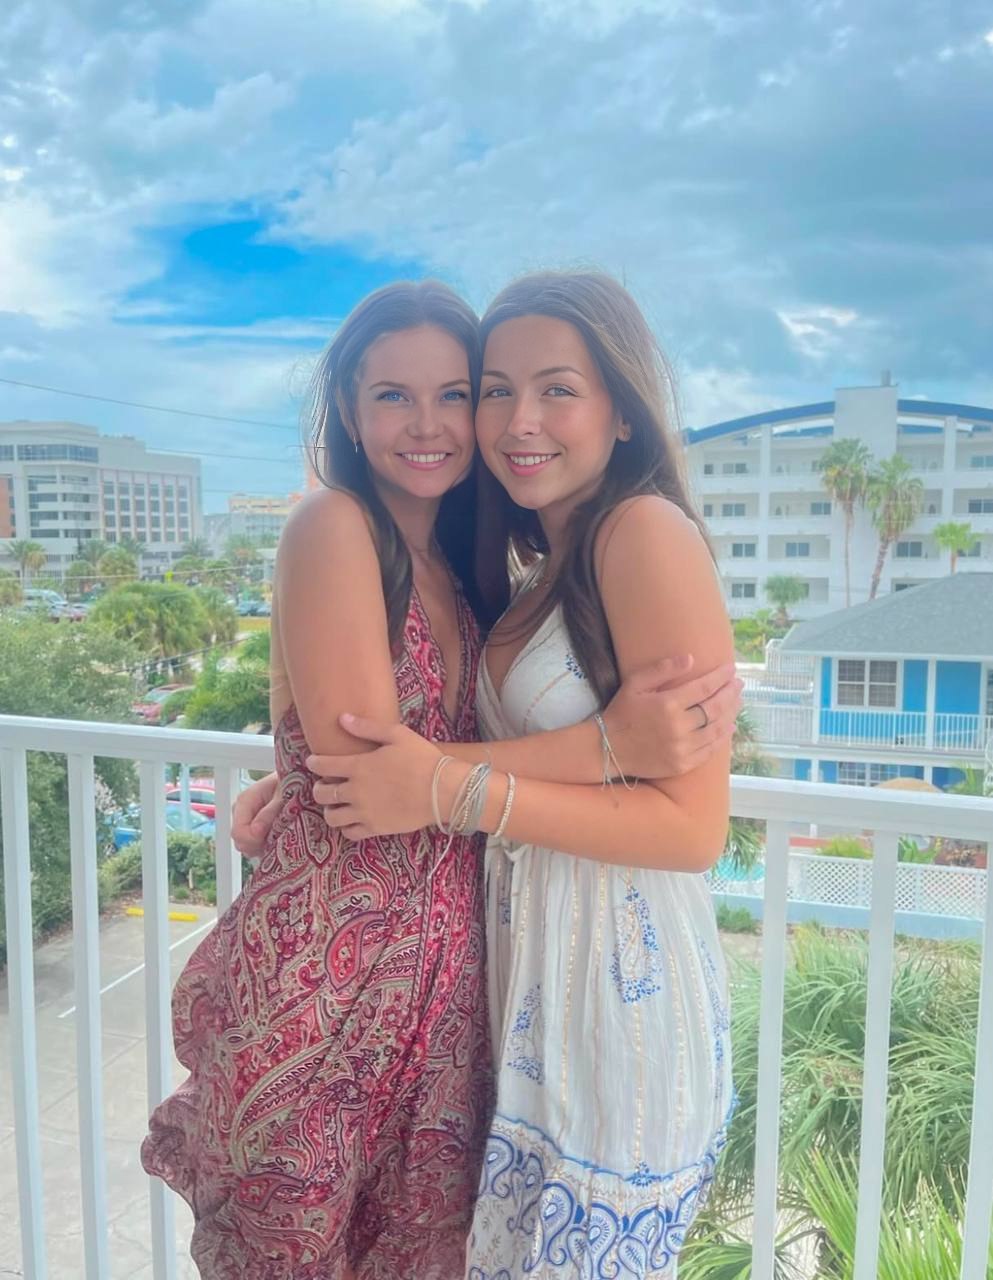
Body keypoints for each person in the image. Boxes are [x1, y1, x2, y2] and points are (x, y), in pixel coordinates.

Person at [145, 276, 739, 1280]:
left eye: (458, 393)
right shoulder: (353, 528)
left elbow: (427, 772)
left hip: (496, 998)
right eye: (492, 390)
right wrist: (609, 744)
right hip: (341, 997)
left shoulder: (535, 556)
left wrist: (444, 776)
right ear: (347, 410)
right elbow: (375, 773)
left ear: (623, 410)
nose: (451, 422)